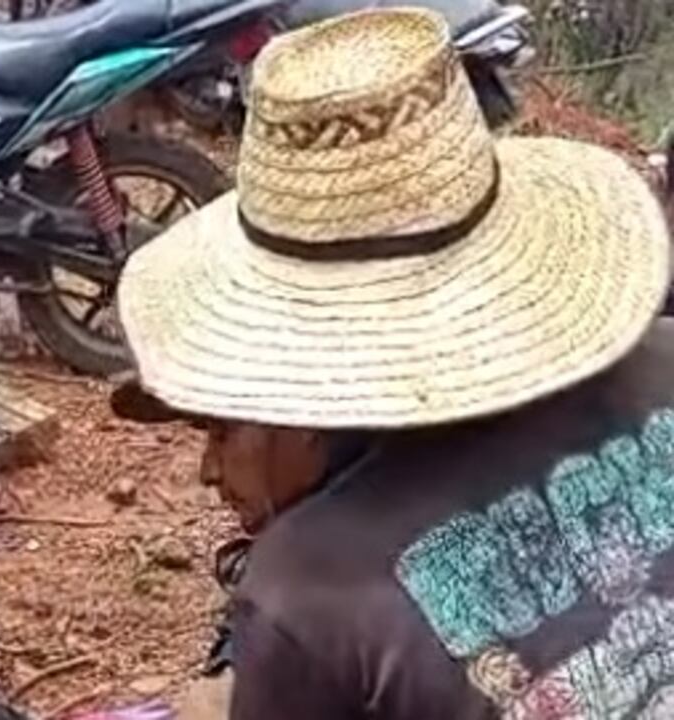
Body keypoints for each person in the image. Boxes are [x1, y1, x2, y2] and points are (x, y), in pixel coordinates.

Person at [112, 8, 673, 719]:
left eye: (221, 429)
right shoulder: (665, 359)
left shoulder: (309, 594)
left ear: (302, 402)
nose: (208, 472)